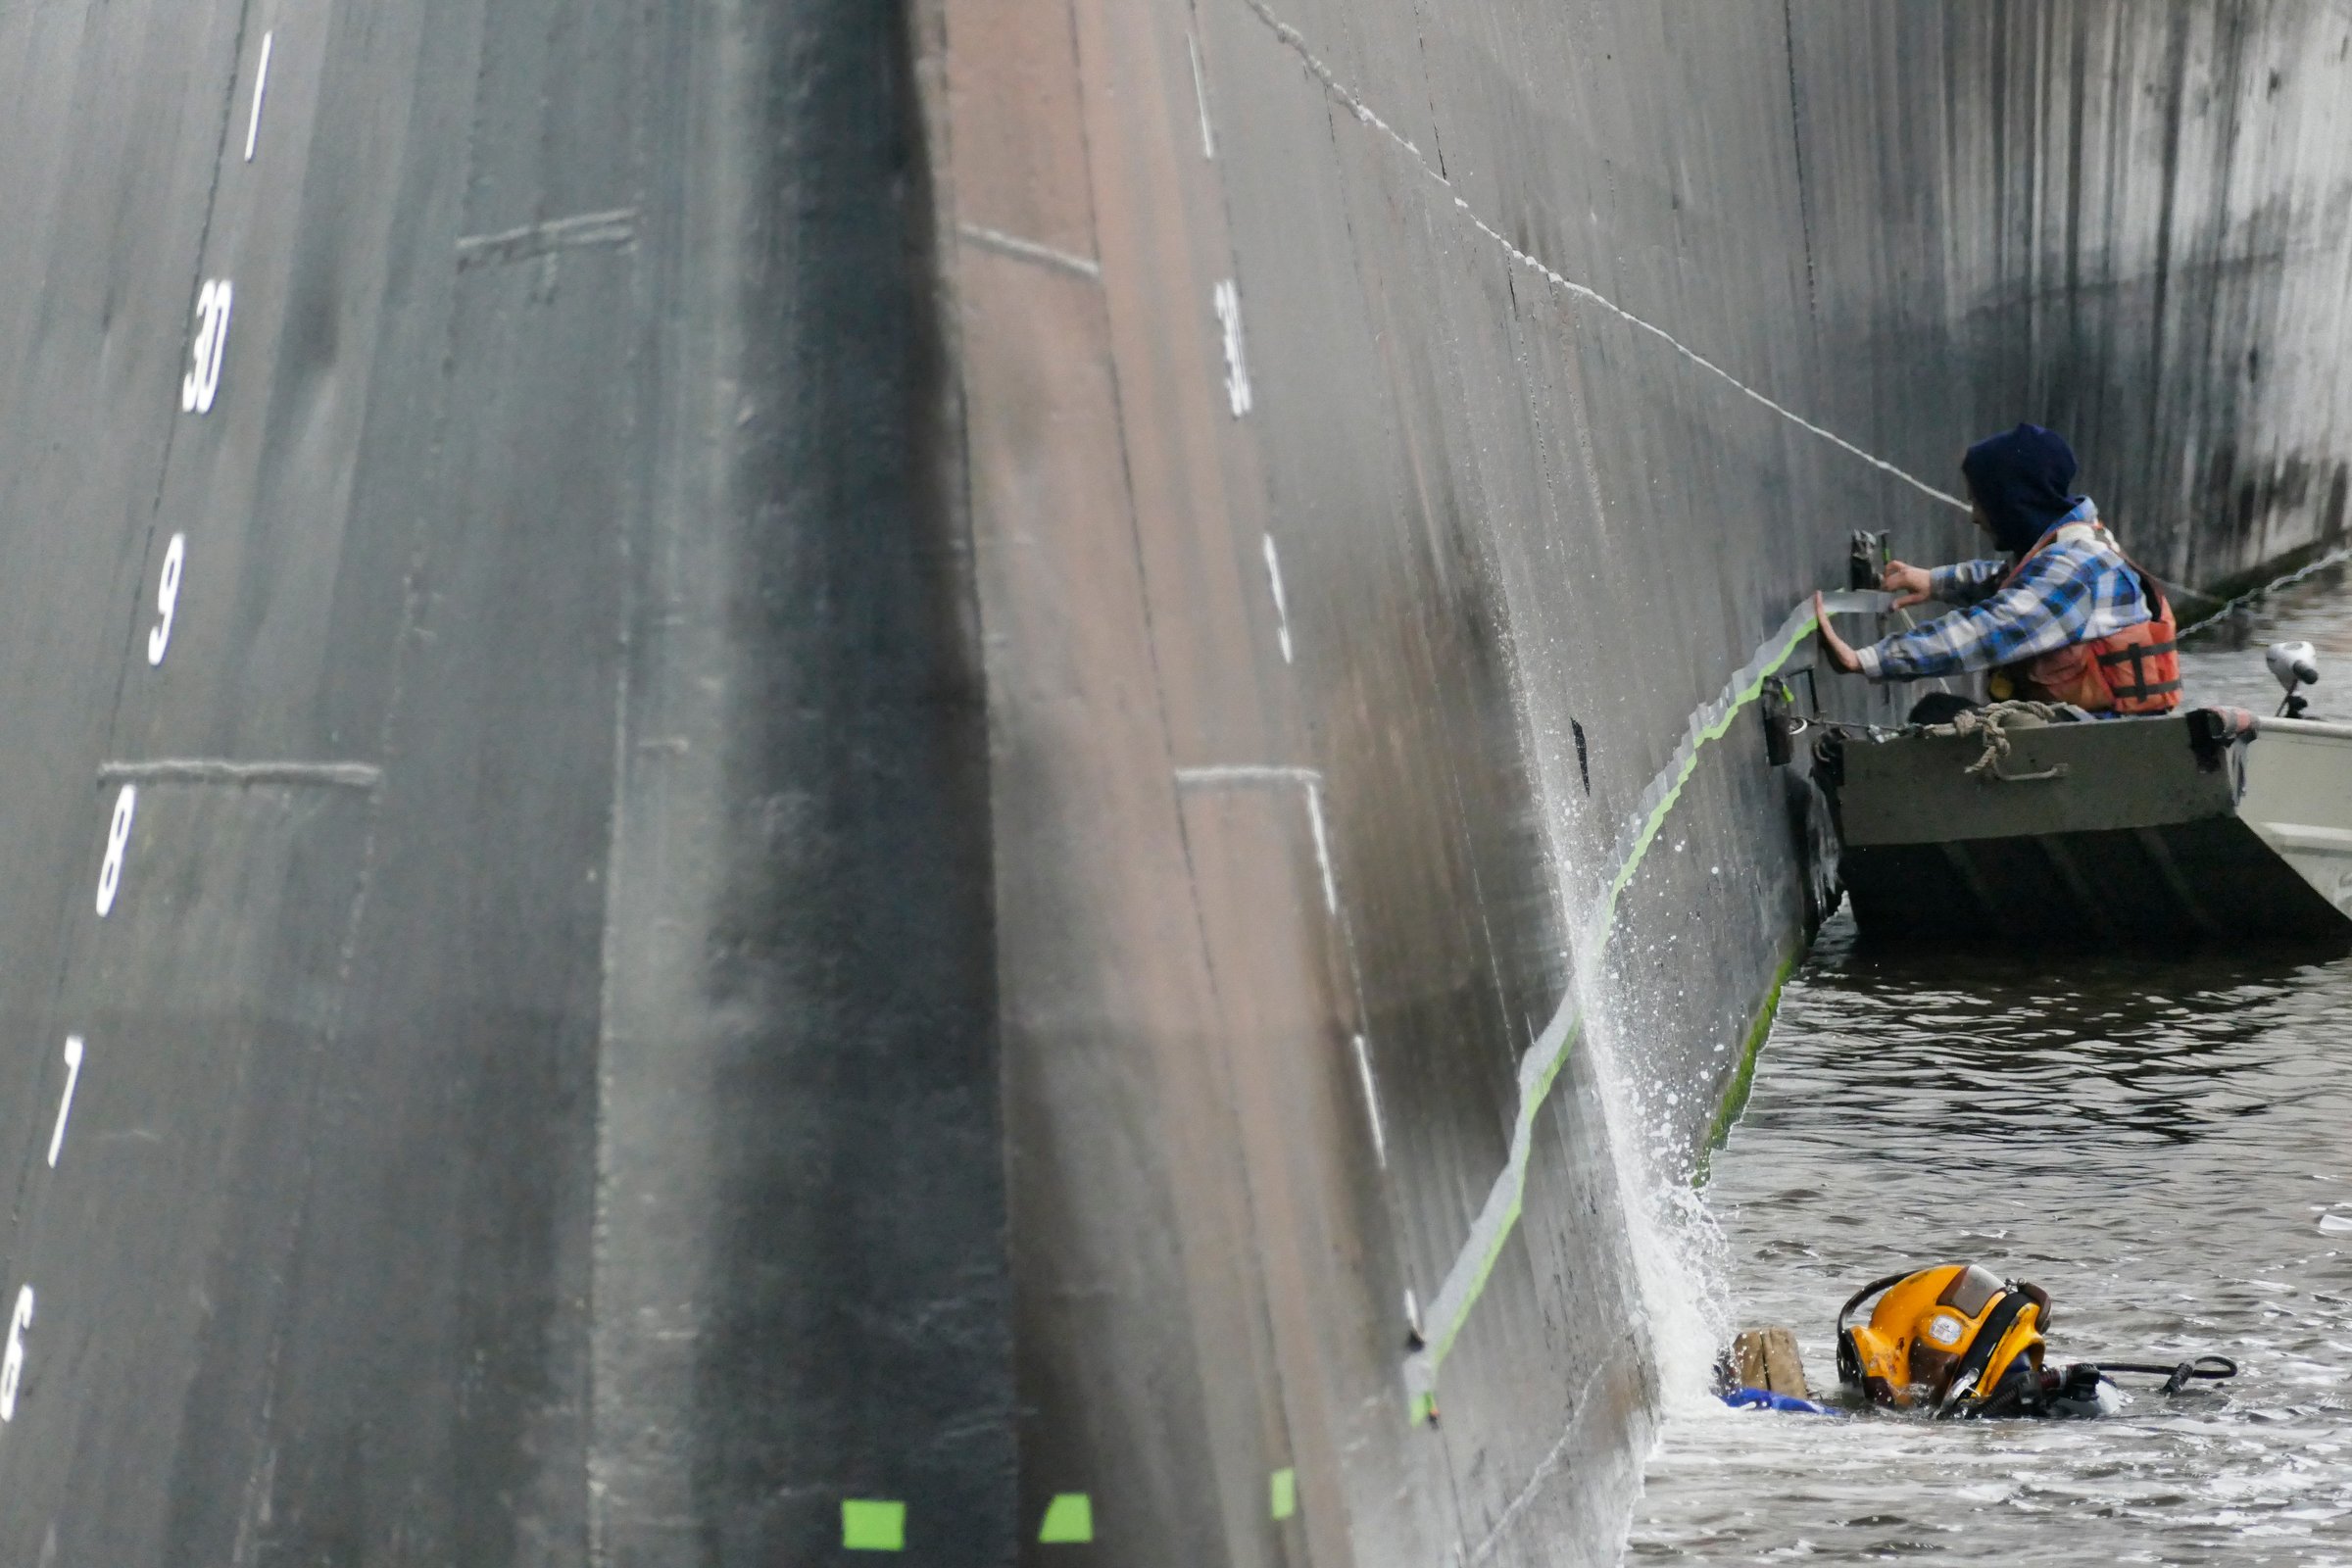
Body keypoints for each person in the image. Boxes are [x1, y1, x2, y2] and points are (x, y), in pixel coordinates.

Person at [1812, 424, 2180, 720]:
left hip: (2097, 744)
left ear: (2013, 504)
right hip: (2094, 731)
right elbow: (2012, 581)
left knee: (1939, 718)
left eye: (1980, 502)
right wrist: (1935, 582)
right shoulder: (2076, 546)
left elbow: (1986, 631)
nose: (1974, 516)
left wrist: (1868, 660)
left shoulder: (2073, 571)